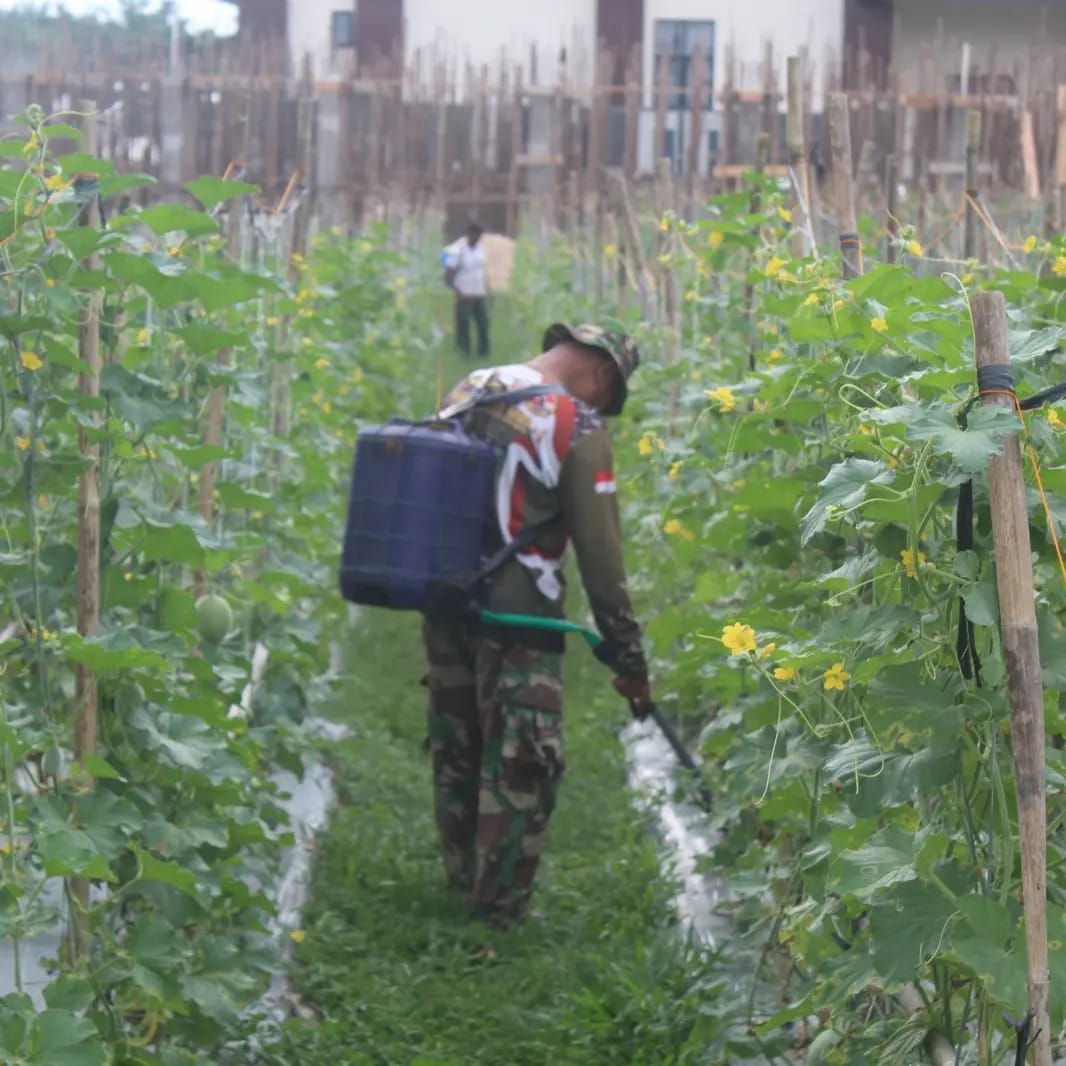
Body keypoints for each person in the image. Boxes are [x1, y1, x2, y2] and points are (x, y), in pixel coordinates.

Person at [422, 323, 652, 928]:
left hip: (444, 596)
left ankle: (459, 878)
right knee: (523, 758)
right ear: (602, 372)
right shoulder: (575, 422)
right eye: (609, 395)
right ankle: (498, 912)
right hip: (521, 614)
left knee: (459, 742)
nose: (604, 407)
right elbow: (602, 562)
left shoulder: (471, 388)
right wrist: (628, 658)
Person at [444, 221, 490, 358]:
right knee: (463, 324)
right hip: (464, 293)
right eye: (474, 236)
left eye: (478, 236)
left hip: (479, 293)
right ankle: (463, 351)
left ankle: (483, 352)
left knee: (483, 322)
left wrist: (488, 287)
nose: (476, 239)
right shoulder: (458, 249)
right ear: (468, 234)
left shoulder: (481, 248)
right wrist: (458, 291)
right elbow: (449, 272)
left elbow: (482, 270)